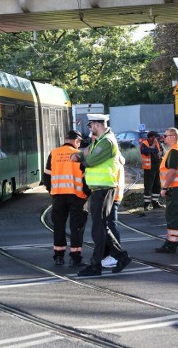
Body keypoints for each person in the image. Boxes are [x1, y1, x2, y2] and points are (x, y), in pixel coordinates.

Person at [74, 114, 131, 276]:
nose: (90, 128)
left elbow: (90, 160)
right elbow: (86, 155)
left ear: (98, 125)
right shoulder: (101, 141)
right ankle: (120, 256)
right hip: (99, 189)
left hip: (104, 188)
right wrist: (81, 155)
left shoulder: (106, 142)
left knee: (99, 228)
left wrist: (79, 158)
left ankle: (96, 265)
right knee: (101, 227)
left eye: (90, 125)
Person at [42, 129, 88, 267]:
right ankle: (75, 257)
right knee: (77, 227)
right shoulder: (79, 155)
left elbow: (46, 177)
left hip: (58, 196)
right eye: (79, 142)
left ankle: (58, 256)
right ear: (76, 141)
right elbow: (86, 178)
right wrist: (86, 195)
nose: (79, 145)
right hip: (77, 196)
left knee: (59, 226)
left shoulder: (54, 153)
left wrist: (52, 191)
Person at [102, 153, 125, 269]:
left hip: (112, 195)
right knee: (109, 225)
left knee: (110, 225)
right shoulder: (116, 156)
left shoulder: (111, 158)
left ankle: (115, 255)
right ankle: (110, 253)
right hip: (114, 195)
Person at [140, 131, 163, 211]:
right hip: (149, 169)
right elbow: (146, 152)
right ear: (151, 138)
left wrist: (161, 154)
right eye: (155, 137)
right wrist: (153, 146)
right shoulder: (144, 144)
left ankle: (155, 203)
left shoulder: (158, 144)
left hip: (157, 168)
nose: (157, 139)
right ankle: (146, 205)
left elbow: (161, 151)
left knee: (157, 186)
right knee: (148, 187)